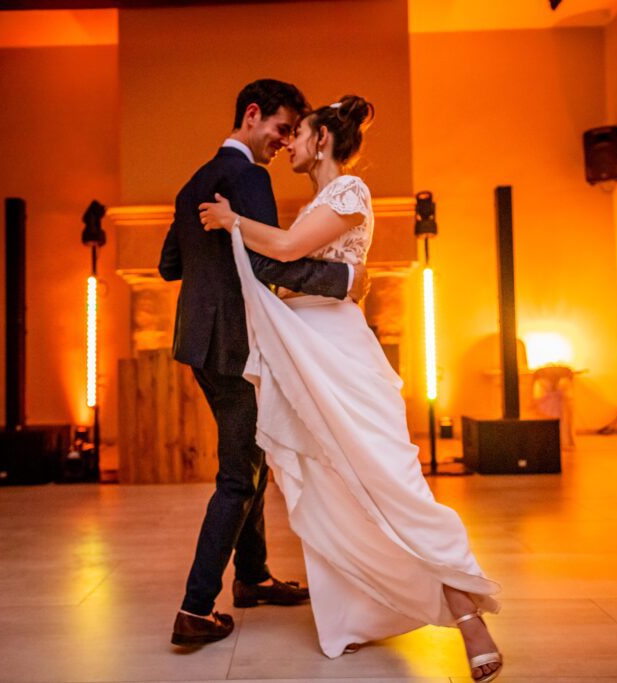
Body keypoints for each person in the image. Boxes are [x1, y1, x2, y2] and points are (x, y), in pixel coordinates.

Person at [198, 95, 504, 682]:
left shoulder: (350, 191)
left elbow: (284, 250)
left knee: (391, 480)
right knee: (330, 484)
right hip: (306, 348)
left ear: (323, 140)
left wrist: (235, 222)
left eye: (299, 133)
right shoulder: (316, 200)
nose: (288, 143)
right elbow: (285, 269)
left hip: (339, 351)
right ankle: (358, 614)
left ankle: (468, 615)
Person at [159, 79, 371, 648]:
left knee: (253, 455)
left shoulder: (193, 182)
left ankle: (251, 577)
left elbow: (168, 265)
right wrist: (343, 279)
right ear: (252, 115)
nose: (283, 142)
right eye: (280, 128)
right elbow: (270, 262)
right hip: (237, 344)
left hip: (198, 343)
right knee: (239, 473)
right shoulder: (249, 178)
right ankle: (195, 608)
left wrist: (214, 270)